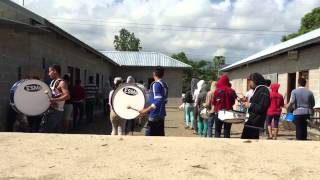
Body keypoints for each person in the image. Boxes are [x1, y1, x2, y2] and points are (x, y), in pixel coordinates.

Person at [39, 64, 70, 133]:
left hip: (56, 111)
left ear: (55, 71)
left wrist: (54, 100)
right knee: (46, 130)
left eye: (50, 71)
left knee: (46, 131)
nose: (48, 74)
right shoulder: (52, 82)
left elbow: (67, 96)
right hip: (51, 110)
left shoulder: (62, 83)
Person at [139, 67, 168, 136]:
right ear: (163, 74)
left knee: (149, 137)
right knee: (159, 137)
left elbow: (158, 100)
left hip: (154, 115)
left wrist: (145, 110)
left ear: (154, 74)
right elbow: (164, 100)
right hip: (161, 114)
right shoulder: (164, 84)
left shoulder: (156, 84)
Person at [241, 73, 270, 139]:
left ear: (255, 80)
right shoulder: (258, 90)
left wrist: (250, 105)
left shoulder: (263, 90)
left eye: (250, 81)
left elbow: (262, 108)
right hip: (251, 122)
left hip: (255, 123)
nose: (249, 83)